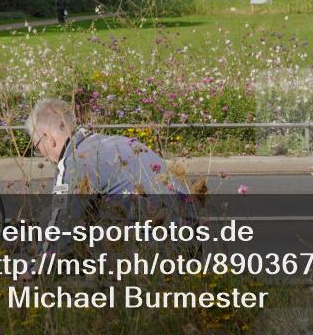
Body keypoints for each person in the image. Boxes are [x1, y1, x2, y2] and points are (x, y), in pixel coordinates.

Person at [25, 99, 193, 253]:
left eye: (37, 146)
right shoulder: (113, 142)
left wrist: (37, 270)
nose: (42, 154)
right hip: (190, 233)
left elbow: (62, 224)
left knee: (57, 221)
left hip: (158, 247)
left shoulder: (74, 162)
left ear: (48, 138)